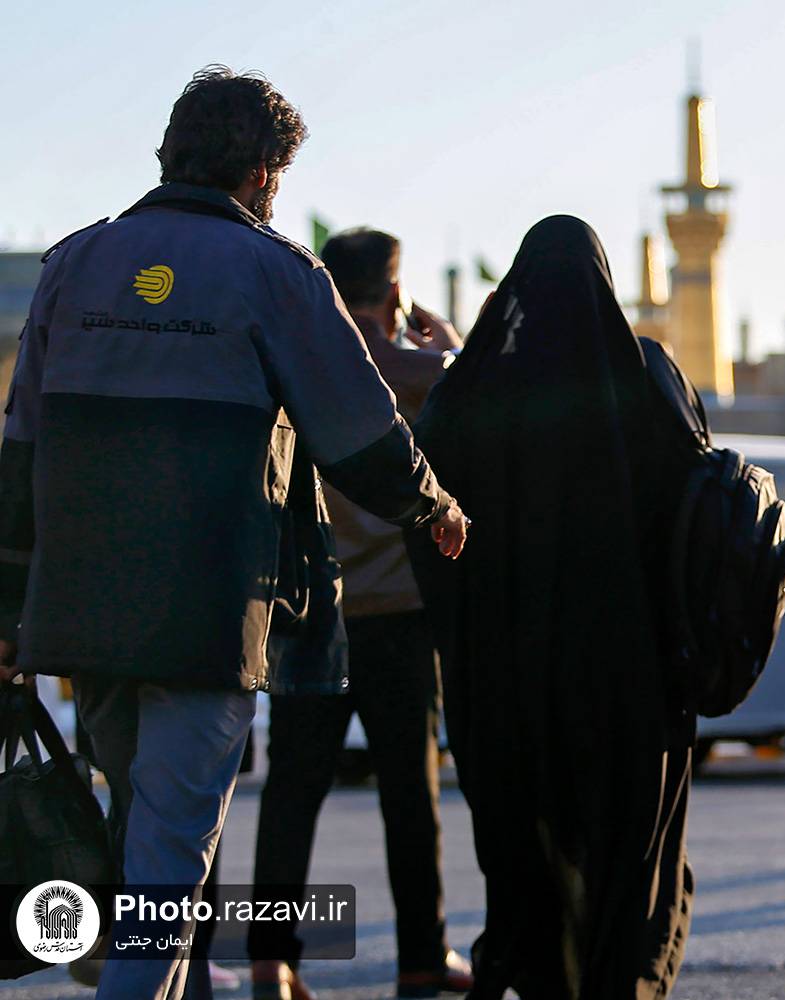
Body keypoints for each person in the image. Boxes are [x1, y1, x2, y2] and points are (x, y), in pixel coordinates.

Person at [0, 67, 467, 1000]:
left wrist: (9, 611)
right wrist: (435, 506)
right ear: (262, 173)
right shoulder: (277, 271)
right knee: (168, 865)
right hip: (206, 612)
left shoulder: (73, 262)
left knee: (145, 844)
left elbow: (19, 453)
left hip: (85, 620)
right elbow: (357, 432)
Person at [406, 216, 697, 999]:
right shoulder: (649, 380)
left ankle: (532, 969)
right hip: (629, 673)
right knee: (624, 845)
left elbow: (422, 516)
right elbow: (705, 513)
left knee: (520, 842)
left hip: (503, 677)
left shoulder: (472, 392)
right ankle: (620, 977)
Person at [248, 228, 472, 1000]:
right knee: (410, 794)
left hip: (306, 608)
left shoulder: (305, 358)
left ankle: (272, 959)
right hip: (398, 613)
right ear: (393, 289)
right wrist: (449, 341)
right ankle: (422, 955)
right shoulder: (422, 373)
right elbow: (468, 388)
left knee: (292, 794)